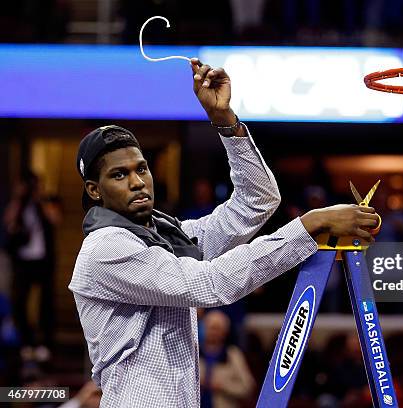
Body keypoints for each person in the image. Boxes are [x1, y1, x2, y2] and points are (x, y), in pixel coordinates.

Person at [69, 58, 379, 407]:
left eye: (141, 168)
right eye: (119, 175)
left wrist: (225, 121)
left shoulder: (170, 238)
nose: (138, 181)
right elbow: (212, 283)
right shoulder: (106, 248)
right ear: (95, 191)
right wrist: (310, 225)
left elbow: (256, 202)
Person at [3, 171, 61, 362]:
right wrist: (19, 198)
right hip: (23, 261)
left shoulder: (45, 203)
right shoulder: (19, 206)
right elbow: (8, 222)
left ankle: (45, 344)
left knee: (46, 303)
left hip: (42, 262)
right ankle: (26, 343)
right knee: (20, 303)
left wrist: (40, 198)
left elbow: (55, 219)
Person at [198, 310, 254, 408]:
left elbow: (248, 387)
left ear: (225, 331)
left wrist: (222, 386)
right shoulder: (194, 352)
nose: (213, 332)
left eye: (217, 329)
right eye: (211, 328)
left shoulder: (233, 354)